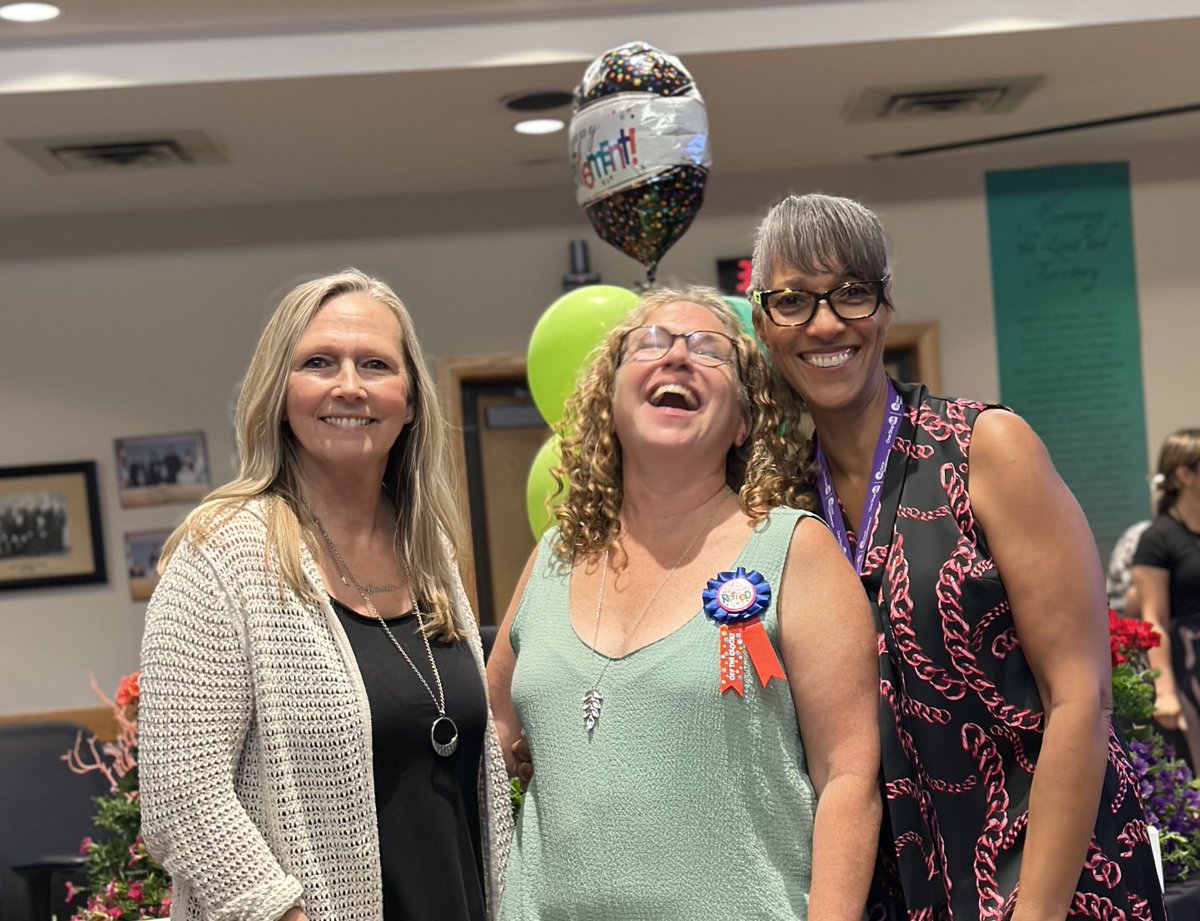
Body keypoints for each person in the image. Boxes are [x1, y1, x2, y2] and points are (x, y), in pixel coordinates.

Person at [748, 194, 1166, 921]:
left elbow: (1080, 697)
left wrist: (1034, 910)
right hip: (899, 890)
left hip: (1055, 877)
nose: (824, 323)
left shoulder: (983, 448)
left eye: (851, 292)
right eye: (793, 300)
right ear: (762, 322)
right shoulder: (781, 500)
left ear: (884, 308)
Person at [488, 285, 881, 920]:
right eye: (649, 344)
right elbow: (491, 738)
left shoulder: (793, 552)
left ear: (744, 422)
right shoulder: (555, 555)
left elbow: (849, 779)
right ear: (609, 402)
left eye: (710, 351)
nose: (676, 358)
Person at [138, 269, 512, 921]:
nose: (349, 385)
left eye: (374, 363)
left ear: (411, 397)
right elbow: (182, 799)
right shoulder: (221, 551)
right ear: (280, 390)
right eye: (318, 362)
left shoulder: (430, 552)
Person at [1131, 428, 1200, 770]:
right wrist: (1166, 691)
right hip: (1191, 666)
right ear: (1185, 475)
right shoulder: (1158, 539)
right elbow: (1152, 619)